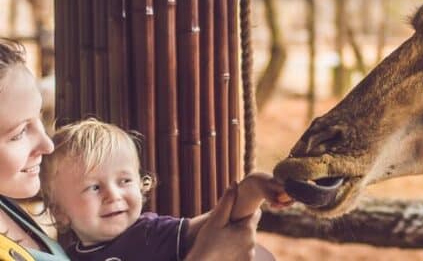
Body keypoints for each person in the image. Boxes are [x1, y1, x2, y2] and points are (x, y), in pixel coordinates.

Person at [0, 39, 267, 260]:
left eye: (39, 118)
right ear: (59, 212)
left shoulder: (8, 208)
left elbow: (222, 227)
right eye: (19, 132)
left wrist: (255, 189)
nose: (47, 144)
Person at [39, 119, 292, 260]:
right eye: (94, 187)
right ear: (60, 212)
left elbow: (220, 222)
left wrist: (253, 189)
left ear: (142, 184)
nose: (113, 195)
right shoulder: (67, 258)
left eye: (125, 181)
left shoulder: (150, 233)